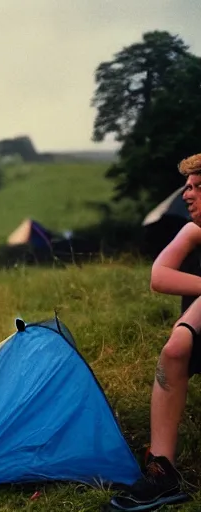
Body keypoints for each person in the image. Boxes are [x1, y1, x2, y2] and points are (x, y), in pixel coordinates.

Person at [110, 154, 201, 511]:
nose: (187, 195)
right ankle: (161, 472)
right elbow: (158, 277)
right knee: (175, 350)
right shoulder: (194, 231)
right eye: (188, 188)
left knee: (178, 346)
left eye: (197, 187)